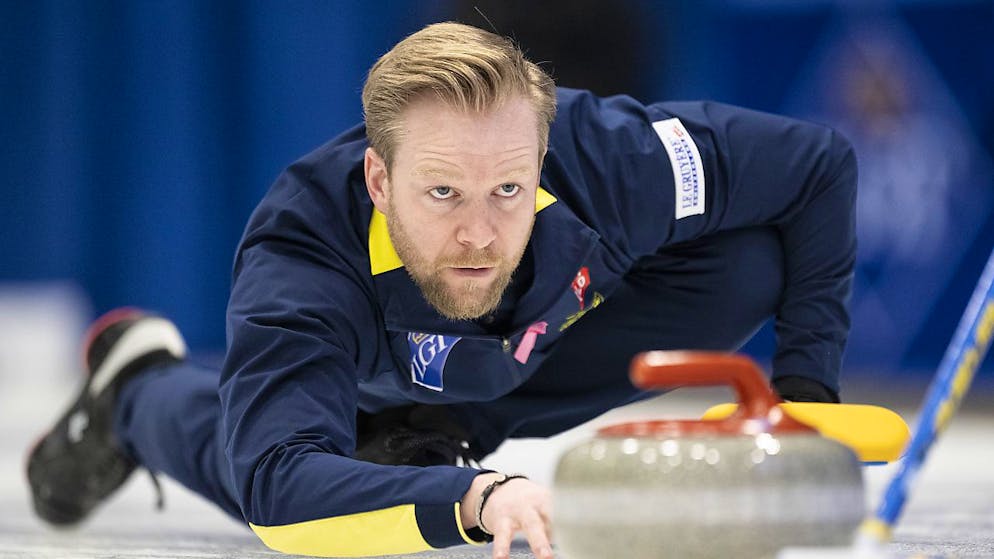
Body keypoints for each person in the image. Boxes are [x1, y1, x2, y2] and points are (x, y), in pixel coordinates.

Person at [26, 21, 856, 559]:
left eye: (507, 189)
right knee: (280, 468)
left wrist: (805, 389)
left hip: (500, 363)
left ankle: (442, 423)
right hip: (365, 362)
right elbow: (279, 487)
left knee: (752, 260)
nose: (478, 235)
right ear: (380, 180)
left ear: (541, 161)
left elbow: (818, 166)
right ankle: (136, 392)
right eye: (442, 193)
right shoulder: (302, 259)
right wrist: (474, 495)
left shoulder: (614, 159)